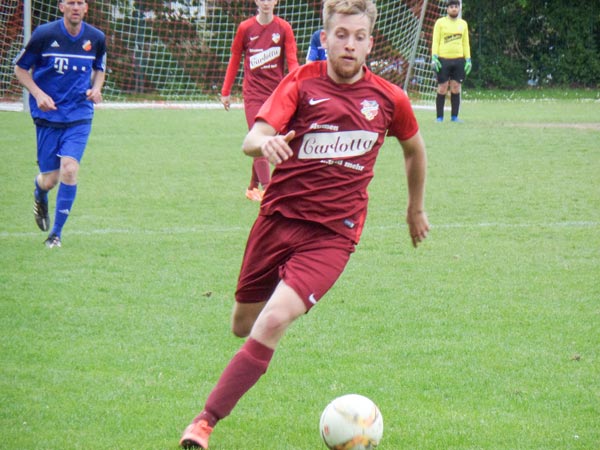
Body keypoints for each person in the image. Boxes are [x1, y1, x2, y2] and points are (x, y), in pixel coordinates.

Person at [179, 0, 429, 447]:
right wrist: (266, 143)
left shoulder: (390, 98)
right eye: (341, 35)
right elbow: (252, 137)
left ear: (370, 43)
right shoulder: (301, 82)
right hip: (277, 220)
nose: (349, 45)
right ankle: (274, 298)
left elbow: (414, 149)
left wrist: (415, 208)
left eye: (358, 37)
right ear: (325, 38)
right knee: (243, 323)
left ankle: (203, 423)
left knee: (273, 320)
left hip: (333, 235)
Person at [14, 0, 106, 248]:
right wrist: (38, 94)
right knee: (50, 180)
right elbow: (20, 69)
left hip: (79, 114)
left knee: (70, 169)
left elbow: (99, 68)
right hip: (48, 116)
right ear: (61, 6)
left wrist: (96, 88)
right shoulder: (45, 34)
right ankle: (39, 192)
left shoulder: (96, 38)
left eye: (80, 2)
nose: (76, 7)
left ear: (86, 8)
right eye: (71, 2)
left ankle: (55, 234)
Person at [220, 0, 299, 202]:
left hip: (276, 95)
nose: (266, 2)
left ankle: (252, 187)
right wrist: (226, 90)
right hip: (253, 95)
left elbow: (292, 61)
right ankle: (268, 192)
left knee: (274, 140)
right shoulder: (245, 28)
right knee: (259, 139)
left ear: (276, 2)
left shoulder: (283, 28)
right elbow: (235, 59)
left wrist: (298, 87)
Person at [431, 0, 471, 122]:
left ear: (459, 9)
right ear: (447, 9)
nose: (454, 9)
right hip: (443, 60)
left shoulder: (463, 24)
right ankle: (439, 117)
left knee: (456, 87)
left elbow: (465, 43)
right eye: (451, 7)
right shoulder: (440, 23)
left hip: (459, 60)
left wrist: (468, 59)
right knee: (442, 87)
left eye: (456, 7)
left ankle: (454, 116)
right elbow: (435, 40)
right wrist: (434, 57)